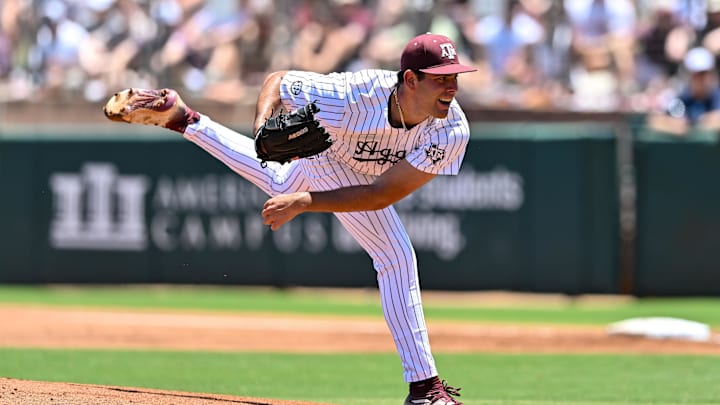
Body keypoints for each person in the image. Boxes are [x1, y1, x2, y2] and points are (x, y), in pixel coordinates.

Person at [103, 32, 476, 405]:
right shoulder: (353, 94)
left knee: (278, 181)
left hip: (362, 175)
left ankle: (184, 119)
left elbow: (382, 194)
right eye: (441, 78)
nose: (452, 87)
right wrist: (262, 127)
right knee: (395, 256)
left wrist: (305, 201)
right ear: (410, 79)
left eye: (455, 77)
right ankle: (425, 389)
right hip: (328, 152)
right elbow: (279, 80)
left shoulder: (451, 129)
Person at [647, 46, 720, 135]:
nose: (700, 79)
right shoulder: (682, 97)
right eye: (696, 75)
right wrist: (673, 125)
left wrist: (705, 122)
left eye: (704, 74)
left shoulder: (716, 96)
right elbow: (655, 121)